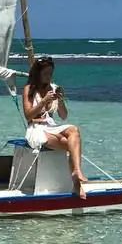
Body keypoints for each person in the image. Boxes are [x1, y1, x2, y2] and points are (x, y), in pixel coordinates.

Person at [22, 55, 88, 198]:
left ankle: (77, 171)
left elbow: (63, 116)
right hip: (36, 129)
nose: (48, 77)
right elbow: (28, 116)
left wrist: (61, 101)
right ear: (38, 73)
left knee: (74, 130)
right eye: (45, 74)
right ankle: (76, 183)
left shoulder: (54, 88)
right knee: (69, 144)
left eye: (50, 74)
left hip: (51, 126)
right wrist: (42, 101)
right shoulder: (29, 89)